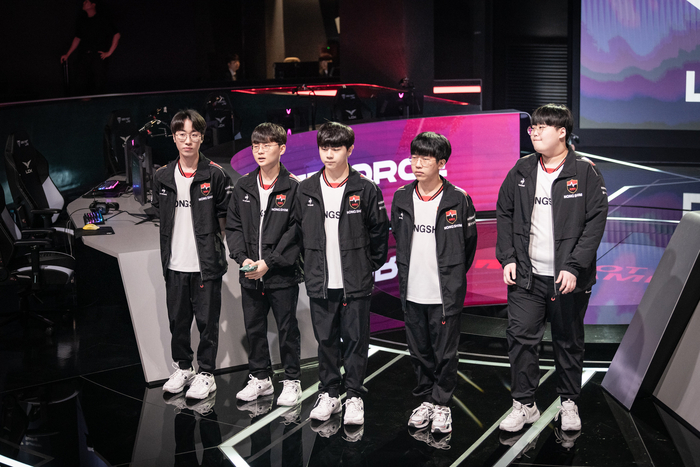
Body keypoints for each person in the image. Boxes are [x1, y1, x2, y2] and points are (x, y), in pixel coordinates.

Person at [495, 104, 608, 432]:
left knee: (568, 341)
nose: (535, 132)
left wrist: (574, 266)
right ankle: (524, 404)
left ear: (562, 133)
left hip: (567, 279)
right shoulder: (522, 169)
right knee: (521, 339)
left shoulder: (585, 171)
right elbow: (504, 211)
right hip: (527, 277)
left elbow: (595, 221)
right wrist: (508, 257)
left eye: (543, 127)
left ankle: (568, 402)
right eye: (533, 127)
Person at [296, 122, 389, 426]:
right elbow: (296, 232)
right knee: (325, 341)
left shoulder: (366, 188)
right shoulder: (306, 189)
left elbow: (379, 233)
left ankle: (355, 395)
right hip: (320, 281)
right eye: (324, 147)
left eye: (336, 148)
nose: (329, 154)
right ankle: (329, 393)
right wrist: (309, 267)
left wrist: (365, 265)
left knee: (355, 341)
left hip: (354, 282)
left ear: (350, 150)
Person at [391, 132, 478, 435]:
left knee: (445, 353)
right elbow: (398, 237)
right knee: (418, 352)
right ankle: (426, 400)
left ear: (441, 163)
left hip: (444, 293)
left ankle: (442, 404)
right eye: (414, 157)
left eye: (425, 158)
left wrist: (451, 277)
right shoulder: (402, 197)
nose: (417, 163)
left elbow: (468, 246)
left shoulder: (458, 199)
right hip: (412, 291)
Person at [153, 109, 233, 400]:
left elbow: (225, 219)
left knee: (207, 323)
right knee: (178, 321)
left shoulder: (216, 174)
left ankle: (207, 373)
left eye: (194, 134)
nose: (188, 140)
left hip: (205, 265)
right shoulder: (162, 176)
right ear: (174, 138)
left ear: (201, 137)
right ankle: (183, 368)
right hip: (174, 264)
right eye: (182, 134)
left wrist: (215, 249)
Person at [226, 122, 304, 407]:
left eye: (267, 145)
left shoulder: (294, 187)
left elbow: (296, 232)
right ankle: (260, 377)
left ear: (281, 149)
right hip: (250, 273)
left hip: (281, 274)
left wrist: (268, 262)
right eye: (256, 145)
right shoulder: (243, 185)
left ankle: (292, 380)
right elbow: (233, 227)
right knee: (254, 328)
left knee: (287, 329)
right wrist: (243, 258)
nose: (260, 151)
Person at [60, 0, 120, 95]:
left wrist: (109, 52)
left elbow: (116, 34)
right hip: (84, 55)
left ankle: (98, 102)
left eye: (86, 1)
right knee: (81, 82)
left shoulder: (102, 19)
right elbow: (77, 38)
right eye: (83, 2)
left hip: (97, 56)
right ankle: (85, 102)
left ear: (93, 4)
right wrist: (68, 54)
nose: (84, 3)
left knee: (98, 83)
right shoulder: (82, 21)